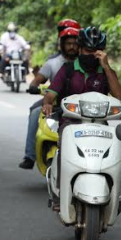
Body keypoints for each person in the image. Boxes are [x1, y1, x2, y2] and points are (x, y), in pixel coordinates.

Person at [42, 26, 121, 203]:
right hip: (71, 123)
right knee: (64, 149)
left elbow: (118, 96)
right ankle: (60, 191)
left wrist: (106, 66)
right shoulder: (68, 70)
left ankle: (113, 191)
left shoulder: (105, 72)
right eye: (88, 50)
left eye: (96, 51)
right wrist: (48, 104)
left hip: (100, 125)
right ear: (80, 49)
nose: (91, 54)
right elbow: (50, 95)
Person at [18, 26, 80, 169]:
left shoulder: (85, 64)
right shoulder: (53, 63)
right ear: (62, 45)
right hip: (55, 102)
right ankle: (30, 156)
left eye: (75, 43)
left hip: (80, 106)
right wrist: (34, 86)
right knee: (35, 113)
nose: (71, 47)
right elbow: (37, 80)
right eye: (68, 44)